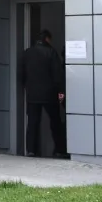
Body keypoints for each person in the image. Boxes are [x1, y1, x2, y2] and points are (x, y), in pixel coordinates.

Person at [20, 29, 66, 157]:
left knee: (32, 122)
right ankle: (60, 150)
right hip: (49, 94)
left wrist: (26, 87)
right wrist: (60, 91)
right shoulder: (51, 52)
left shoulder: (27, 53)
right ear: (47, 39)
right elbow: (57, 74)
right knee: (55, 122)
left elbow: (21, 73)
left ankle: (31, 150)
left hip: (32, 94)